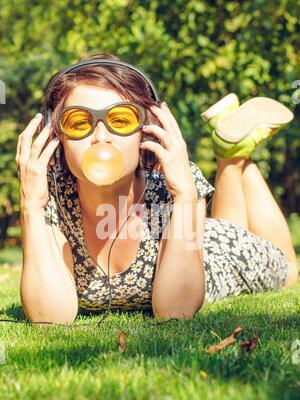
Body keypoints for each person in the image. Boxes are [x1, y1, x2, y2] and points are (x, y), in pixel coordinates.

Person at [16, 52, 298, 325]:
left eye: (121, 120)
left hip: (219, 254)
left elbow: (176, 311)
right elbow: (50, 317)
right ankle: (232, 151)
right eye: (78, 123)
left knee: (290, 270)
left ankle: (235, 157)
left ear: (146, 128)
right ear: (56, 135)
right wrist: (30, 206)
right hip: (198, 235)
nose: (100, 137)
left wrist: (187, 196)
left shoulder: (175, 188)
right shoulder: (46, 197)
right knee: (225, 220)